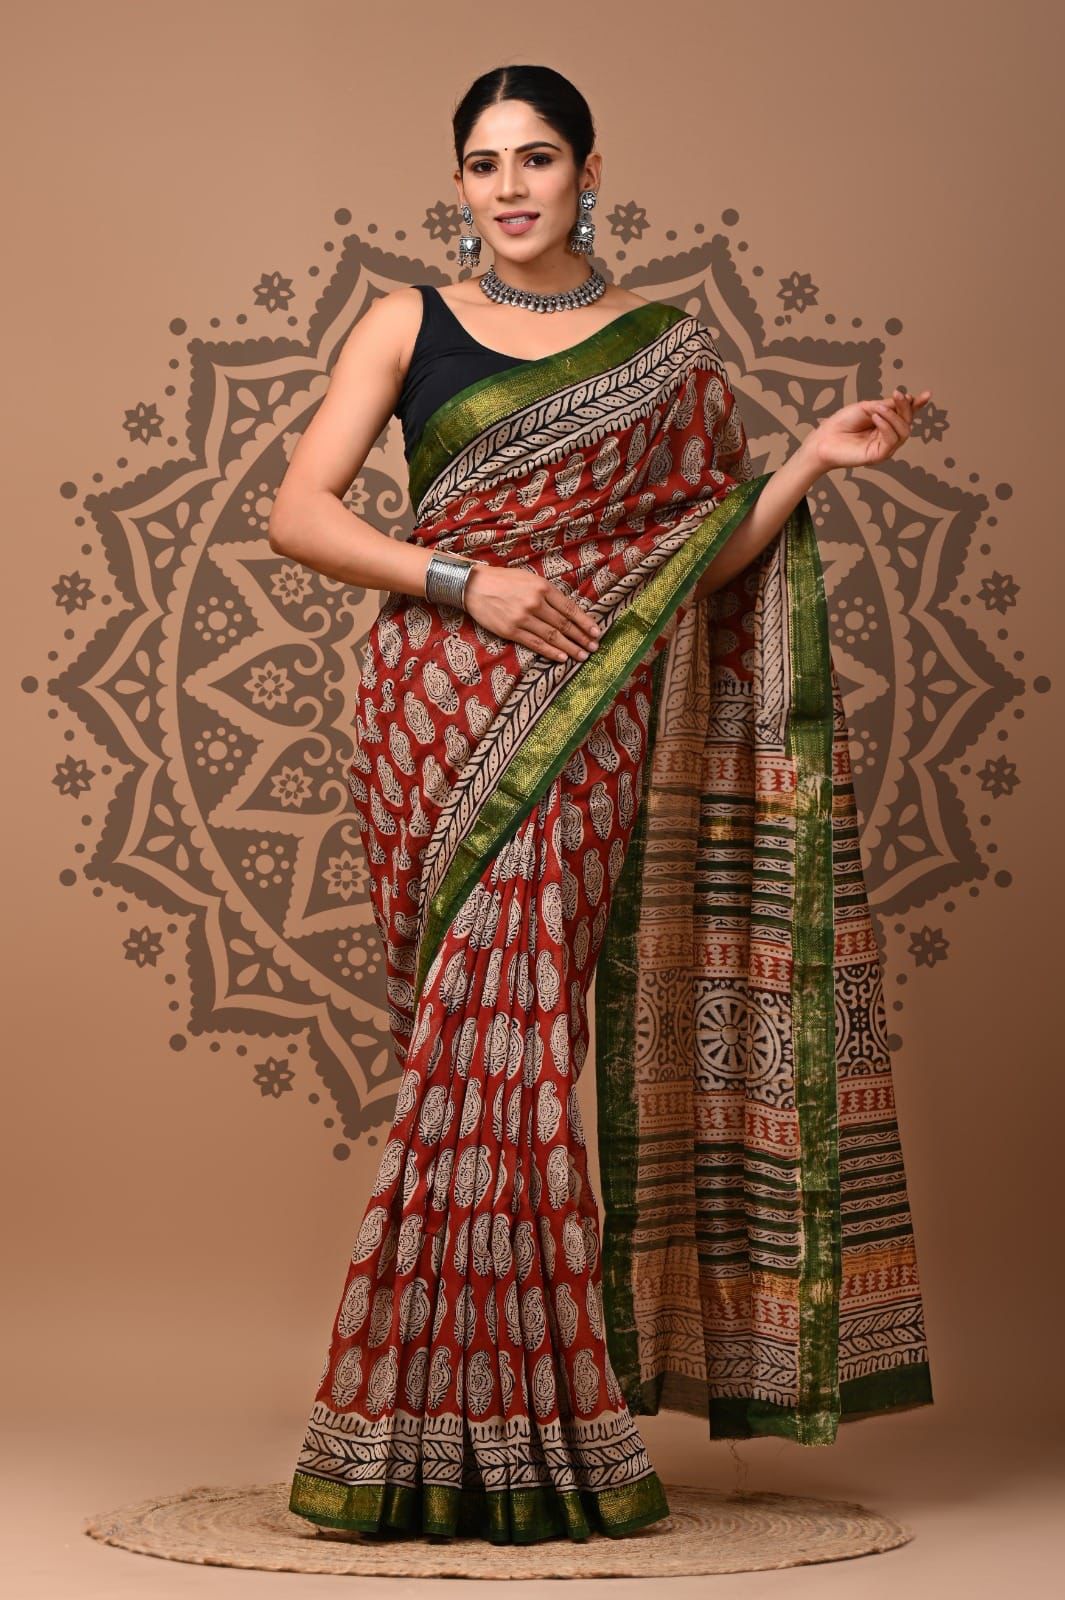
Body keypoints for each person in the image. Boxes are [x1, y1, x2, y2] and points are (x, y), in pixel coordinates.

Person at [271, 63, 935, 1547]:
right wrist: (468, 581)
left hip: (583, 710)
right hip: (433, 704)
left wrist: (806, 461)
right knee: (462, 1051)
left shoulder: (666, 350)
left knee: (515, 1054)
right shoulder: (407, 322)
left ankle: (497, 1429)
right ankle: (455, 1428)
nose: (509, 187)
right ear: (458, 184)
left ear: (587, 171)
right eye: (483, 163)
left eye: (537, 158)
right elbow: (298, 513)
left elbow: (690, 565)